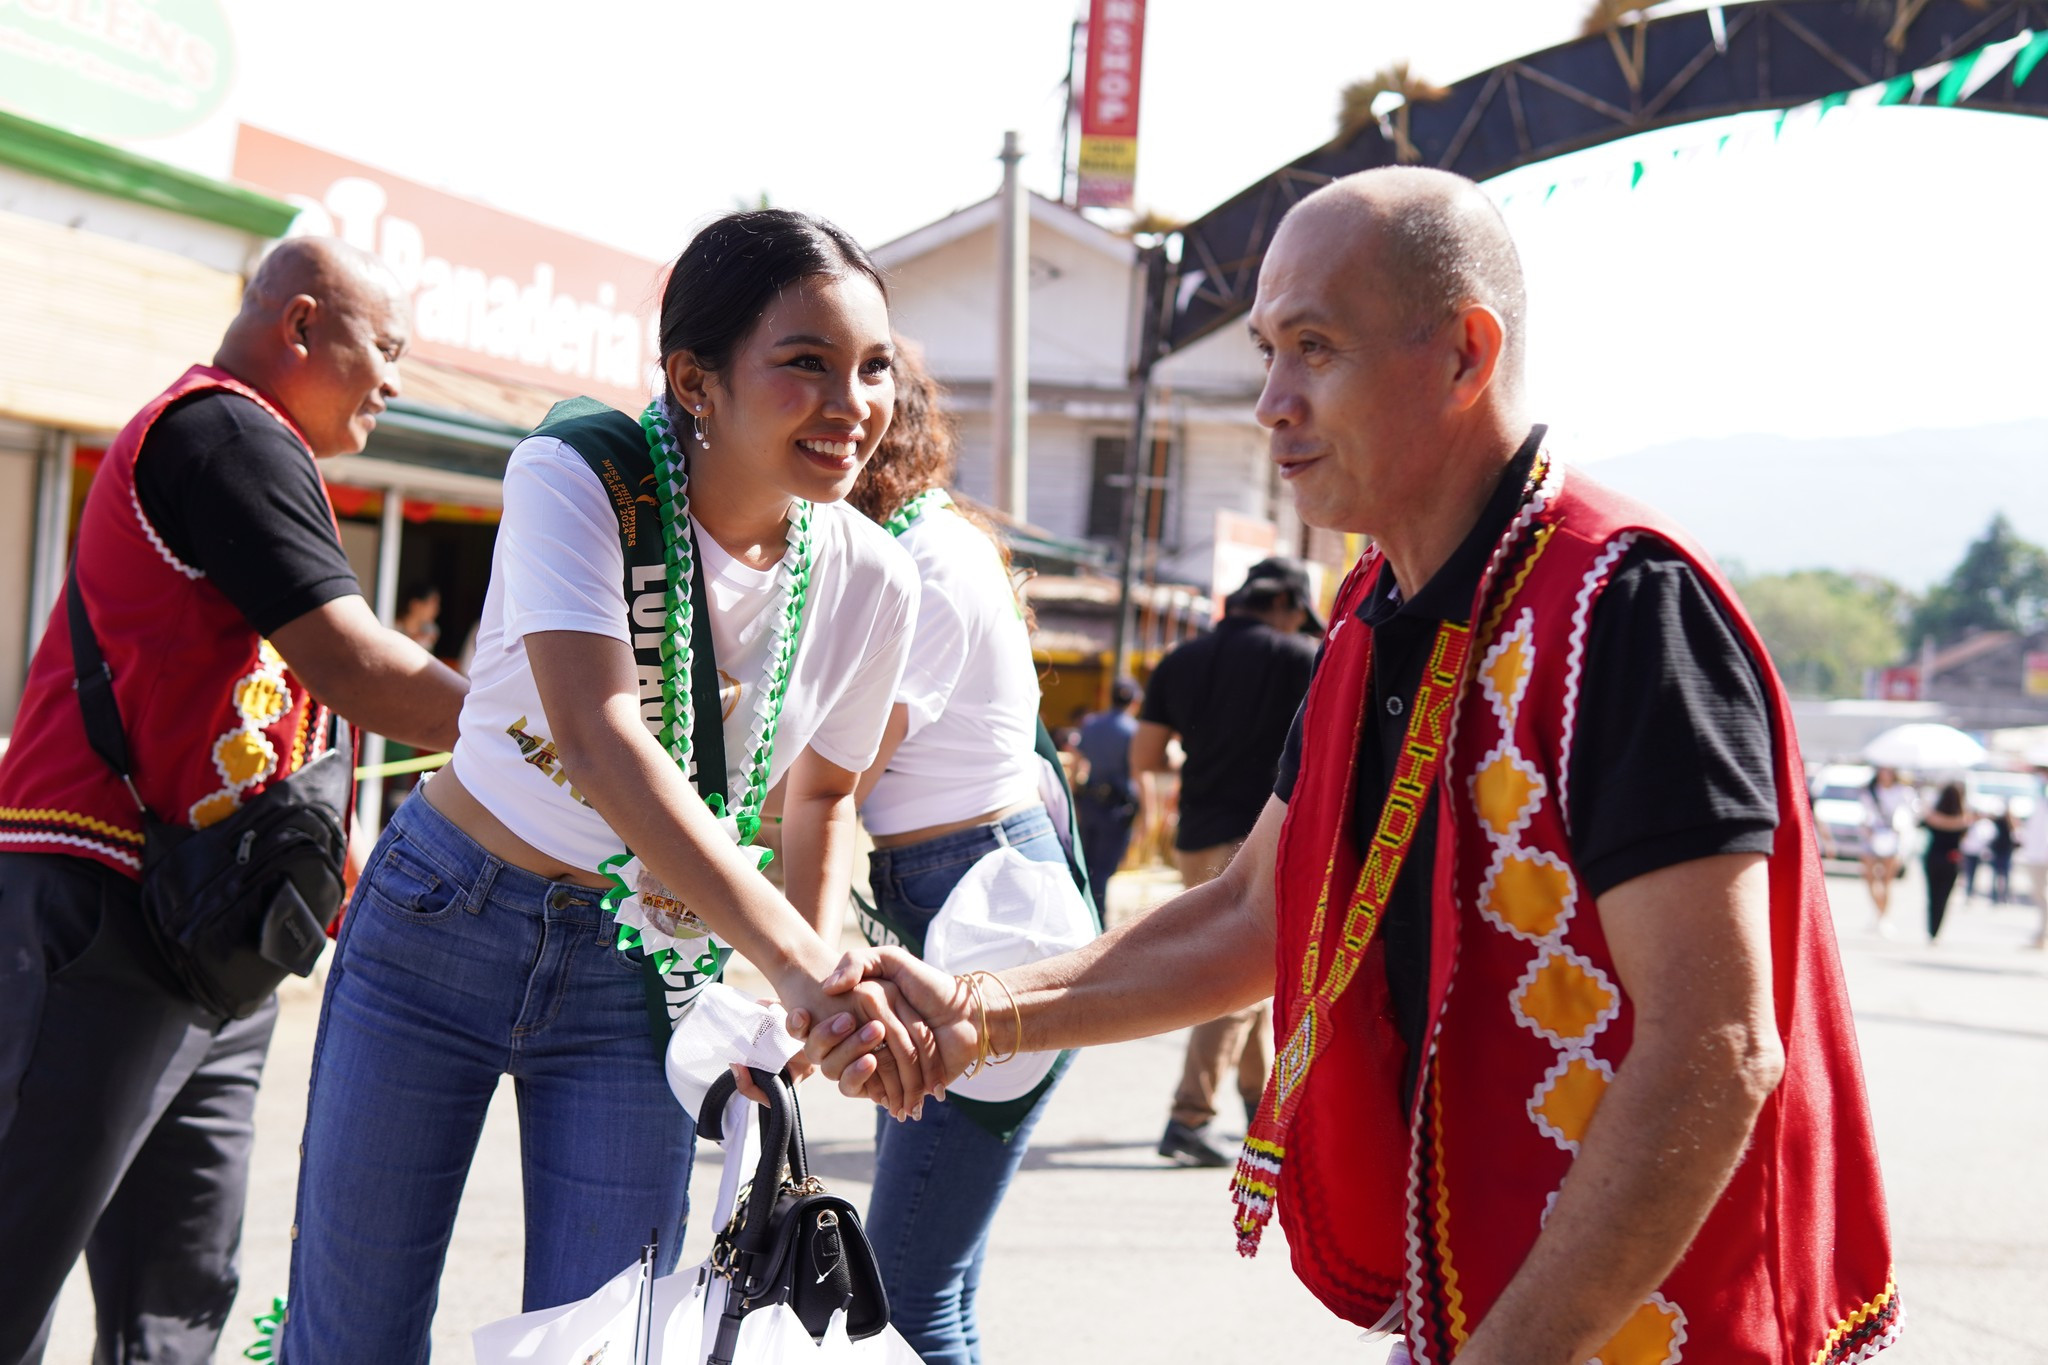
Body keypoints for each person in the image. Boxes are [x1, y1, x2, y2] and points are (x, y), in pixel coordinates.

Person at [812, 167, 1898, 1364]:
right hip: (1483, 1307)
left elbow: (1715, 1047)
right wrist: (979, 1013)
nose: (1271, 401)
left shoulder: (1623, 608)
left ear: (1464, 355)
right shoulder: (1372, 607)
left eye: (1314, 348)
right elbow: (1251, 914)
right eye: (1268, 349)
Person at [276, 210, 929, 1363]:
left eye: (872, 366)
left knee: (605, 1342)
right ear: (694, 380)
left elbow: (824, 800)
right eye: (806, 365)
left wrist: (791, 1012)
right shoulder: (578, 471)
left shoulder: (874, 579)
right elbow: (597, 732)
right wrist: (798, 959)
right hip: (443, 919)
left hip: (646, 971)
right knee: (353, 1336)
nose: (852, 404)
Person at [0, 238, 469, 1365]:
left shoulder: (262, 445)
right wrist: (573, 731)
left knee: (180, 1295)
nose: (395, 384)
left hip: (211, 929)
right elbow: (356, 667)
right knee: (18, 1255)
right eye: (384, 349)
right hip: (100, 895)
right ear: (302, 325)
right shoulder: (223, 428)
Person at [839, 345, 1080, 1365]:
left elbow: (834, 772)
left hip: (983, 915)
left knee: (902, 1304)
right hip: (955, 897)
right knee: (932, 1294)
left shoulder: (926, 558)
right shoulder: (916, 542)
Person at [1134, 558, 1319, 1168]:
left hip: (1196, 834)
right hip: (1263, 837)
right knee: (1239, 982)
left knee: (1251, 979)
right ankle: (1188, 1118)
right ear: (1288, 604)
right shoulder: (1301, 657)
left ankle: (1259, 1109)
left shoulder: (1181, 658)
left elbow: (1148, 753)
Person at [1073, 678, 1142, 908]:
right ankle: (1097, 922)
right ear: (1134, 701)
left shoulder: (1091, 724)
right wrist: (1148, 812)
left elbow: (1077, 762)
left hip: (1090, 801)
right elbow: (1139, 772)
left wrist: (1074, 796)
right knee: (1103, 869)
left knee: (1087, 865)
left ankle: (1085, 912)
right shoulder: (1132, 730)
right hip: (1117, 807)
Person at [1860, 766, 1913, 925]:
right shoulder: (1870, 791)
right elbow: (1865, 812)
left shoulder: (1903, 791)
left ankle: (1884, 916)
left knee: (1886, 880)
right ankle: (1878, 910)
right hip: (1872, 836)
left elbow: (1909, 813)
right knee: (1869, 877)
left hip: (1892, 837)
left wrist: (1900, 827)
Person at [1922, 782, 1974, 941]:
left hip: (1933, 857)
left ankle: (1931, 929)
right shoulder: (1963, 819)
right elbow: (1966, 833)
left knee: (1932, 895)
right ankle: (1936, 930)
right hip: (1951, 859)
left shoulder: (1933, 816)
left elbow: (1924, 822)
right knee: (1944, 896)